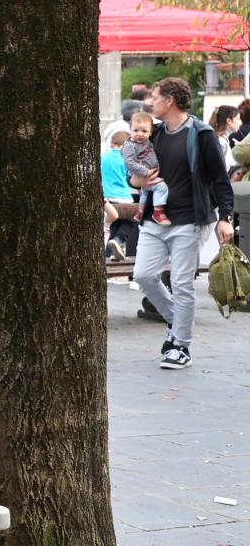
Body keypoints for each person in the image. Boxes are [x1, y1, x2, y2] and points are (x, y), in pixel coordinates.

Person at [133, 77, 235, 371]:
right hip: (155, 219)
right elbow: (136, 177)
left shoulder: (201, 134)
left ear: (170, 101)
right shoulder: (156, 134)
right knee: (143, 275)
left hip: (189, 221)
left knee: (180, 283)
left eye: (155, 97)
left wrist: (225, 218)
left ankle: (181, 345)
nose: (150, 103)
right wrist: (139, 180)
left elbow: (220, 179)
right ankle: (175, 320)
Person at [102, 130, 140, 260]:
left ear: (112, 143)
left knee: (112, 228)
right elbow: (132, 178)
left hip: (107, 199)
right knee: (133, 219)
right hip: (123, 198)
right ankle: (119, 240)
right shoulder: (126, 159)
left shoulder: (103, 158)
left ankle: (107, 256)